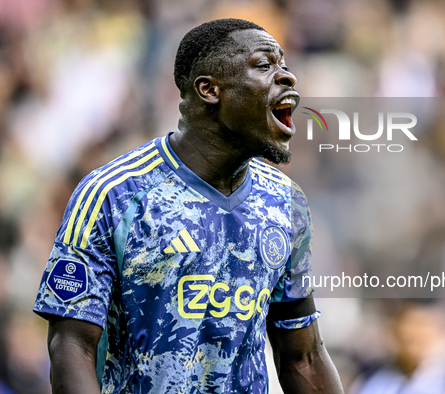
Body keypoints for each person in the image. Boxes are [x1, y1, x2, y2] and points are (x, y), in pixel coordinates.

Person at [33, 18, 343, 394]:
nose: (287, 78)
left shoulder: (284, 203)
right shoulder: (114, 194)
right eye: (265, 65)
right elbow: (72, 345)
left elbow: (303, 357)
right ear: (210, 90)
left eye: (286, 66)